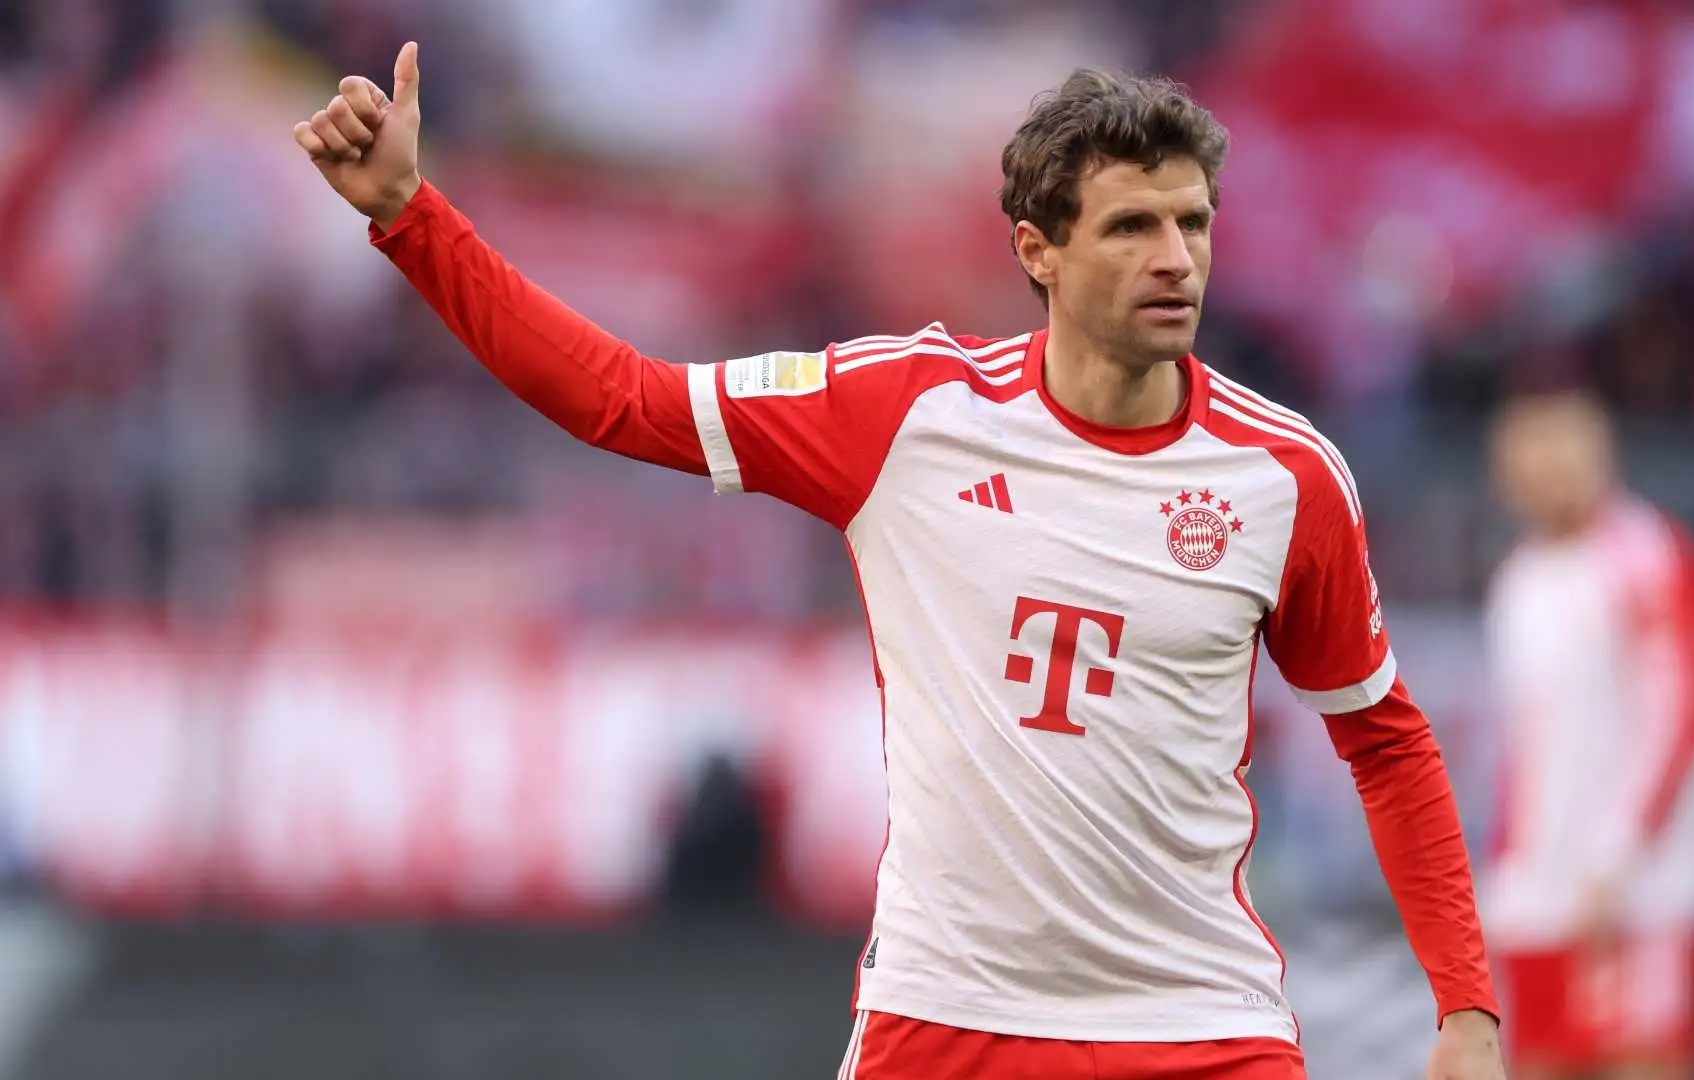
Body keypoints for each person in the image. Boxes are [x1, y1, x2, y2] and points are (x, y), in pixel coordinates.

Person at [293, 43, 1506, 1080]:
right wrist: (412, 218)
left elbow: (1384, 740)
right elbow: (622, 399)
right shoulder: (909, 411)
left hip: (1200, 1025)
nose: (1176, 259)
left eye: (1192, 223)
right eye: (1132, 226)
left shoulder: (1283, 476)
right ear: (1038, 250)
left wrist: (1467, 1010)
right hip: (948, 1017)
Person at [1482, 390, 1694, 1080]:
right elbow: (1521, 746)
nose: (1543, 482)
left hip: (1635, 890)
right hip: (1538, 887)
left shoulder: (1644, 554)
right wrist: (1504, 868)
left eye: (1559, 461)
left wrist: (1620, 855)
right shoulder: (1519, 578)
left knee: (1643, 1061)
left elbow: (1679, 717)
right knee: (1537, 1061)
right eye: (1527, 469)